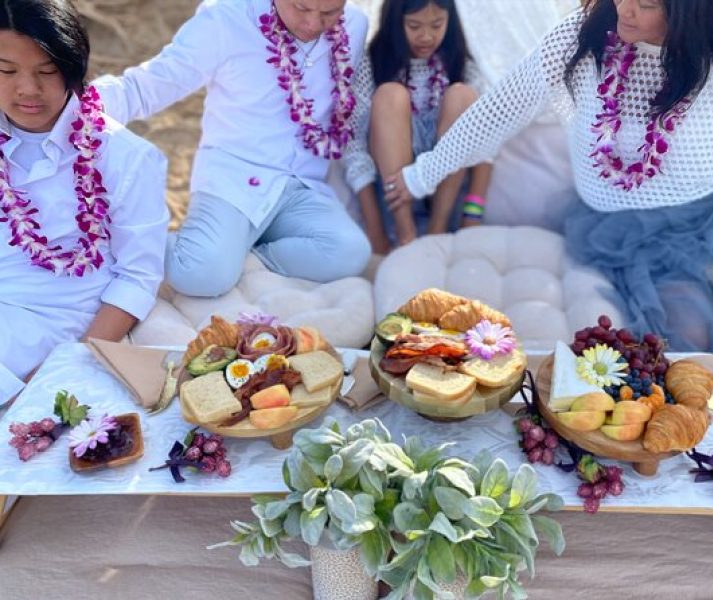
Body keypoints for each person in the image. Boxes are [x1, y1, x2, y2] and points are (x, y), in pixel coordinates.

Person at [384, 0, 713, 352]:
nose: (625, 8)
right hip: (616, 228)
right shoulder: (582, 37)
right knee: (684, 336)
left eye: (647, 3)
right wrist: (422, 175)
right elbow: (498, 112)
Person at [93, 0, 372, 297]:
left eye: (329, 13)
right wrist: (78, 107)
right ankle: (153, 242)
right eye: (301, 8)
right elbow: (147, 86)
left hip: (301, 186)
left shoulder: (354, 26)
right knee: (201, 275)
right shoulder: (225, 20)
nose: (313, 25)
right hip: (234, 181)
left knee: (350, 252)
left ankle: (242, 259)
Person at [0, 0, 169, 404]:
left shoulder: (125, 156)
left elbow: (137, 277)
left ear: (74, 69)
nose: (27, 89)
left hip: (57, 321)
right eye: (6, 71)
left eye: (46, 71)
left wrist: (69, 363)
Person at [344, 0, 491, 253]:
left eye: (437, 25)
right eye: (414, 26)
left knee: (462, 96)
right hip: (394, 201)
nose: (426, 36)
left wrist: (473, 214)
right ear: (395, 22)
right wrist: (375, 230)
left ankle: (436, 232)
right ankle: (406, 236)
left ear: (450, 20)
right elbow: (354, 147)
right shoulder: (372, 62)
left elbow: (486, 143)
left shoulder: (461, 63)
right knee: (390, 94)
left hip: (446, 202)